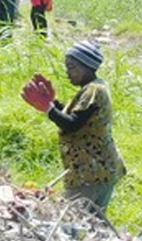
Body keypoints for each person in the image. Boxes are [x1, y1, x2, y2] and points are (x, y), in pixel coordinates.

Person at [20, 40, 126, 217]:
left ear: (86, 67)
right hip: (99, 171)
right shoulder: (93, 88)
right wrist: (52, 103)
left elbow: (72, 124)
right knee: (93, 223)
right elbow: (77, 117)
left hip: (91, 174)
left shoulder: (94, 90)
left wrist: (48, 108)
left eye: (72, 67)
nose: (68, 72)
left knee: (75, 221)